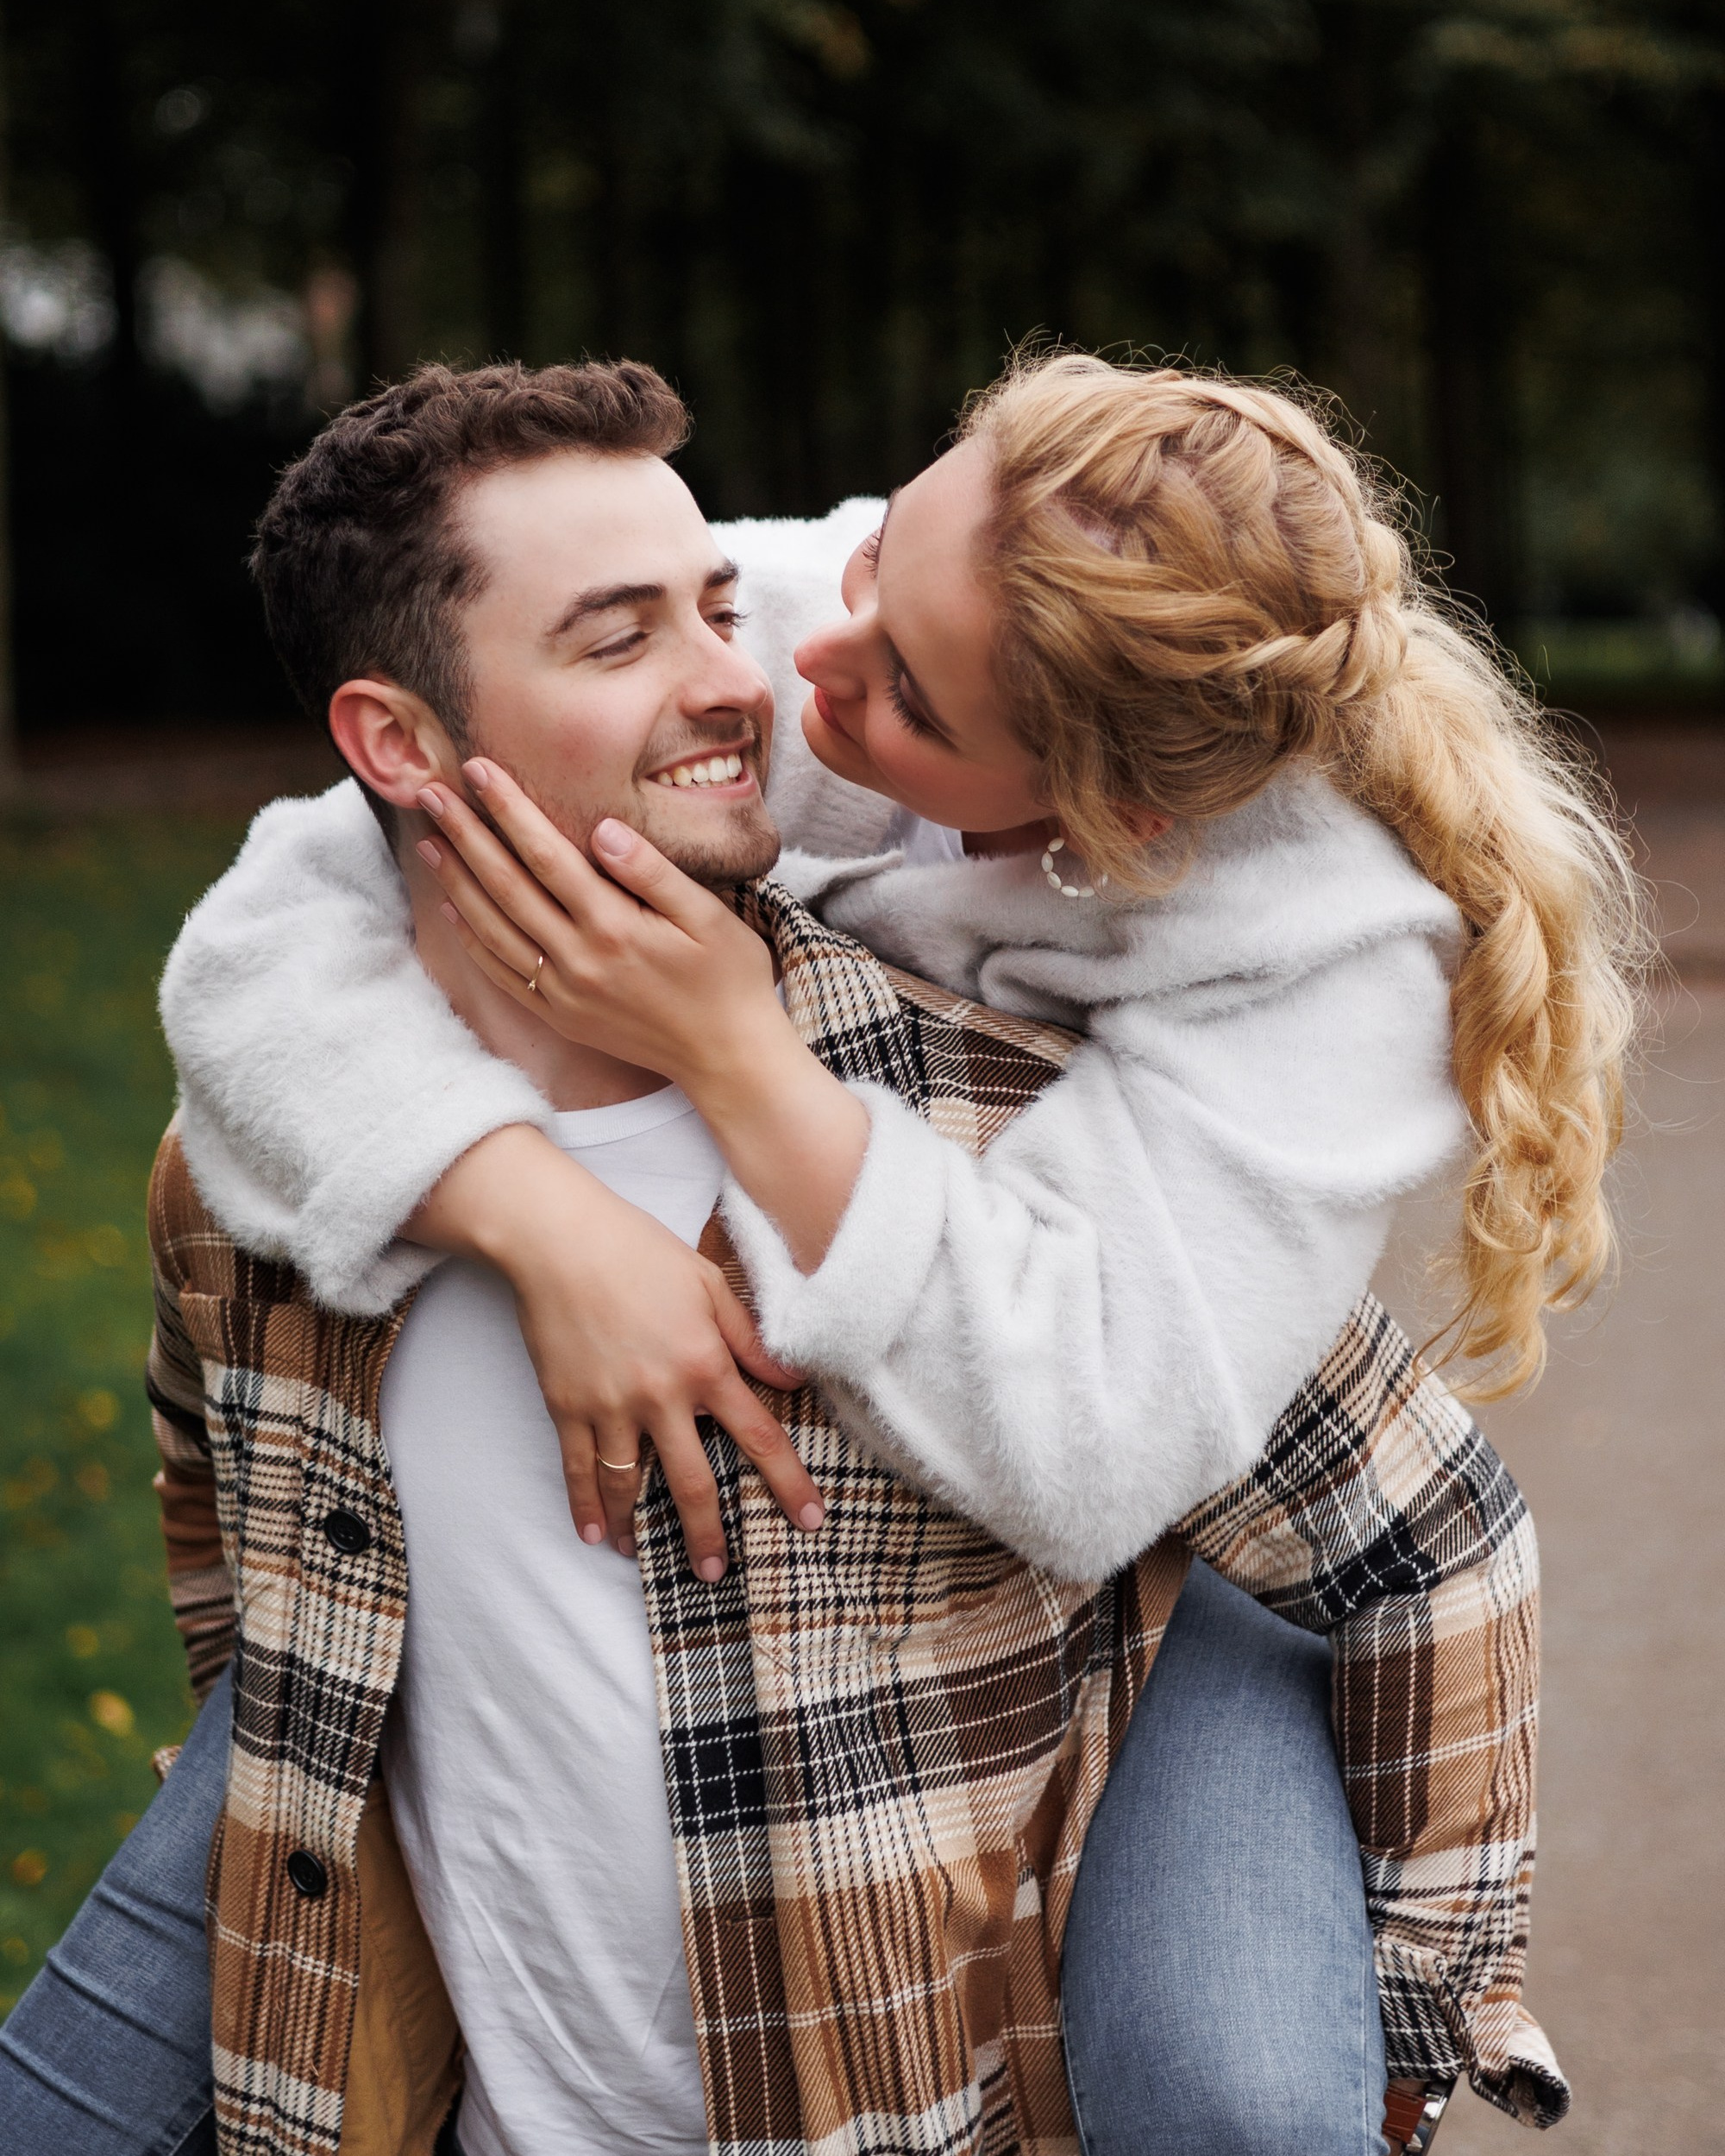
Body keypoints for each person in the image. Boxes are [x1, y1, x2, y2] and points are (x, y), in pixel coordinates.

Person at [0, 356, 1597, 2156]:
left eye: (898, 691)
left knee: (1236, 2095)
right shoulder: (282, 1168)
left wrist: (1403, 2004)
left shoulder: (1172, 1063)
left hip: (1116, 1428)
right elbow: (258, 1006)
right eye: (825, 584)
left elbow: (1193, 1465)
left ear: (1098, 817)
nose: (764, 671)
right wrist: (537, 1219)